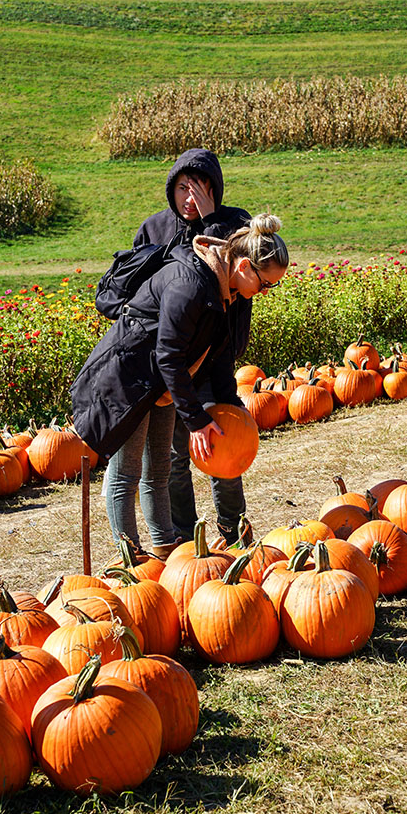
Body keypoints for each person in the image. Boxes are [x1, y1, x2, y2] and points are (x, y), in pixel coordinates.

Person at [70, 214, 288, 557]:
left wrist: (231, 404)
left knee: (158, 470)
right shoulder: (190, 283)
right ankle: (131, 561)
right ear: (245, 266)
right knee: (125, 474)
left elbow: (218, 356)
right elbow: (167, 356)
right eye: (266, 284)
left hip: (163, 385)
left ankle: (164, 548)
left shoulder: (227, 290)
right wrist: (196, 422)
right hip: (131, 378)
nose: (265, 292)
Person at [133, 148, 253, 546]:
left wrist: (209, 219)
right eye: (183, 188)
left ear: (215, 189)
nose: (191, 198)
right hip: (172, 364)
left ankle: (233, 528)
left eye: (200, 188)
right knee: (175, 457)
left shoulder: (235, 223)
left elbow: (242, 271)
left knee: (225, 442)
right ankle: (186, 537)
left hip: (216, 359)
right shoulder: (154, 229)